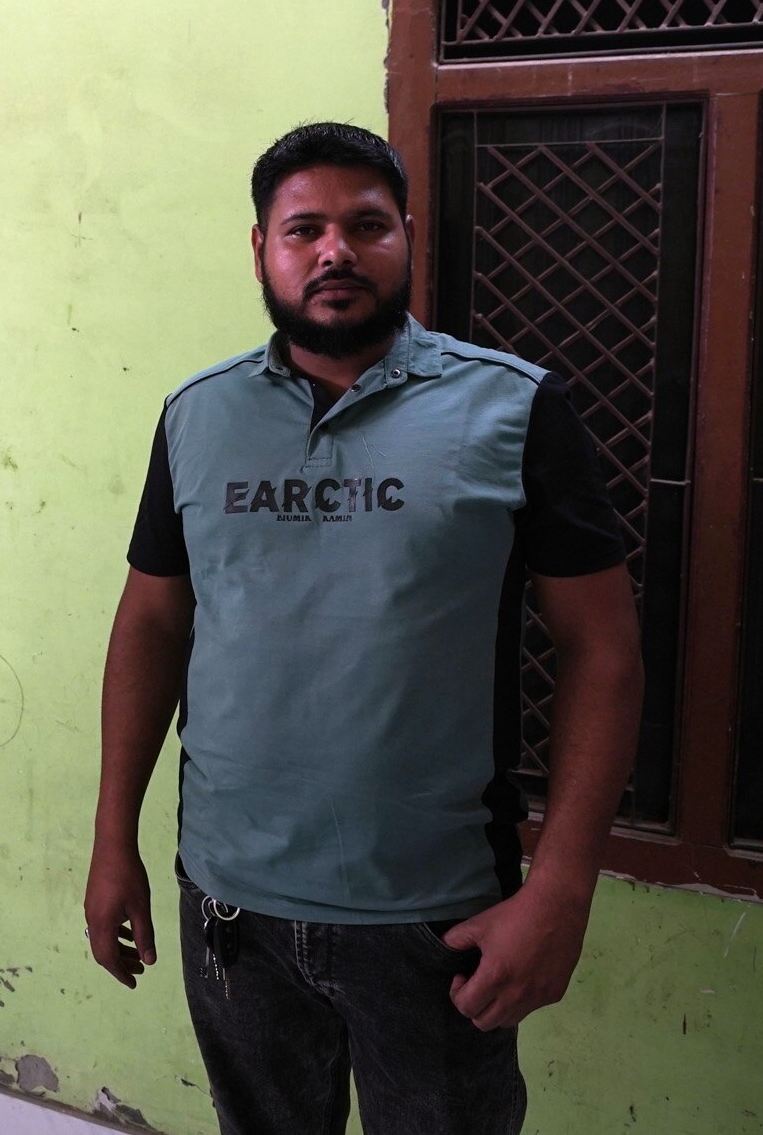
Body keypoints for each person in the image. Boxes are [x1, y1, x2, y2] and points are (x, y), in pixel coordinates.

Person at [83, 122, 645, 1134]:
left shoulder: (511, 409)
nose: (334, 251)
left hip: (434, 915)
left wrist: (561, 888)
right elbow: (152, 624)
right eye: (303, 229)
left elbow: (602, 652)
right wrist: (110, 840)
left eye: (364, 226)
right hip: (228, 905)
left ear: (406, 240)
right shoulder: (195, 417)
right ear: (260, 248)